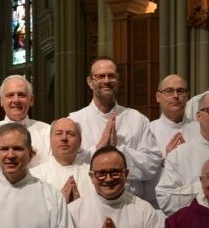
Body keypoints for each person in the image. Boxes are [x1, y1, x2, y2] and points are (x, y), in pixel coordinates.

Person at [68, 57, 162, 199]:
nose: (106, 80)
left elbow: (151, 166)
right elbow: (70, 166)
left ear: (118, 79)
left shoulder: (137, 119)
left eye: (111, 75)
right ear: (90, 82)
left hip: (131, 202)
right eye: (100, 76)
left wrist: (119, 148)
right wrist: (99, 148)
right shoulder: (75, 121)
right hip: (89, 202)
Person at [143, 74, 195, 205]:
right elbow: (143, 173)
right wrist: (166, 161)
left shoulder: (200, 129)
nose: (175, 95)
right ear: (158, 97)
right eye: (169, 91)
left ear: (187, 96)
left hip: (195, 203)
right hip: (157, 204)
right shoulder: (148, 130)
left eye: (181, 91)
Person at [0, 75, 51, 168]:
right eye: (10, 95)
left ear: (31, 100)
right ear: (1, 101)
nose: (16, 100)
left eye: (21, 95)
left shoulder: (48, 132)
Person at [30, 118, 94, 204]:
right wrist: (60, 202)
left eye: (70, 134)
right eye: (58, 133)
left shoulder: (92, 174)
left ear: (79, 141)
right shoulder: (35, 175)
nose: (64, 138)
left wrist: (80, 205)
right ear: (50, 139)